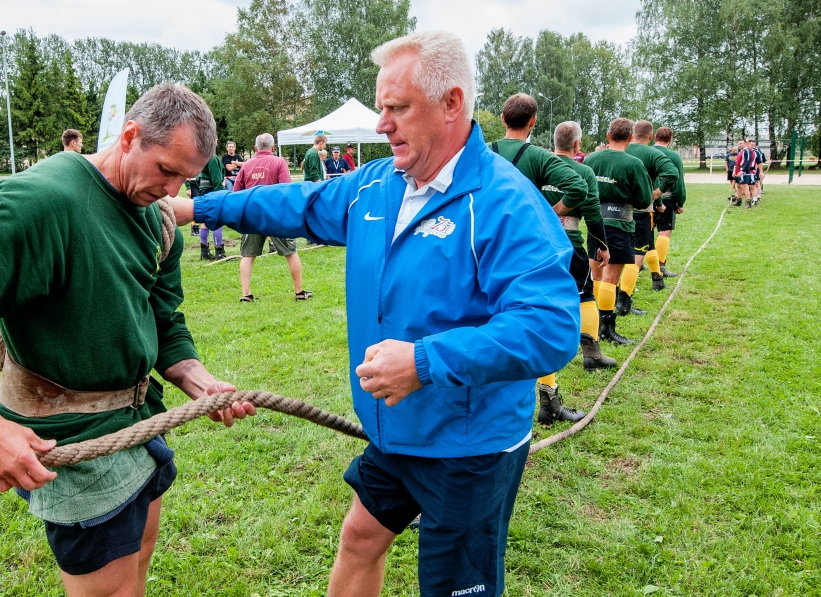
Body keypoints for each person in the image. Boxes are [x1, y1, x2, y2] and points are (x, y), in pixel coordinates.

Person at [172, 30, 578, 597]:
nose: (382, 123)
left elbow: (549, 327)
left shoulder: (503, 204)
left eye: (397, 108)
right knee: (360, 540)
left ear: (452, 103)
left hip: (467, 445)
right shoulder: (377, 186)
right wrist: (194, 206)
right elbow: (297, 203)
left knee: (454, 586)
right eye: (381, 106)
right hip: (395, 431)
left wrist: (423, 361)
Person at [0, 83, 256, 597]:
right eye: (167, 170)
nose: (172, 191)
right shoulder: (42, 201)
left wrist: (199, 380)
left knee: (141, 558)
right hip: (74, 442)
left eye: (184, 179)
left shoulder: (155, 216)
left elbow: (163, 320)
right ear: (130, 136)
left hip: (139, 423)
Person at [489, 94, 590, 426]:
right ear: (532, 123)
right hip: (527, 250)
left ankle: (493, 404)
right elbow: (577, 187)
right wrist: (550, 212)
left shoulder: (483, 151)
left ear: (503, 119)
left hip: (486, 249)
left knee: (486, 322)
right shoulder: (539, 156)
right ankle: (549, 401)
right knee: (538, 321)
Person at [546, 122, 617, 372]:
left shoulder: (538, 163)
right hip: (571, 243)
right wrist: (602, 245)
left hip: (539, 243)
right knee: (584, 294)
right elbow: (593, 214)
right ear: (577, 145)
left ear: (555, 142)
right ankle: (592, 355)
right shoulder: (583, 171)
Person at [583, 118, 653, 345]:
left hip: (595, 223)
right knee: (611, 279)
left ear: (608, 135)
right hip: (620, 225)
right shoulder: (633, 164)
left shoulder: (591, 159)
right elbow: (644, 199)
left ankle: (592, 326)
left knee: (596, 275)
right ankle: (606, 328)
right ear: (630, 138)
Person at [230, 133, 312, 302]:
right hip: (275, 215)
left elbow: (236, 193)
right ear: (273, 148)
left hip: (252, 215)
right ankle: (299, 292)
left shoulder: (246, 165)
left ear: (255, 149)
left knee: (247, 255)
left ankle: (246, 294)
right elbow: (287, 190)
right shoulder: (279, 162)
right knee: (290, 252)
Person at [617, 120, 679, 319]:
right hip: (641, 211)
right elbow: (671, 174)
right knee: (637, 255)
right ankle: (624, 298)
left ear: (632, 134)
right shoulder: (652, 153)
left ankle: (657, 278)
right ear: (650, 137)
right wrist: (657, 193)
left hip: (616, 210)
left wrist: (658, 201)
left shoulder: (622, 150)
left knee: (649, 244)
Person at [652, 126, 686, 277]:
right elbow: (678, 181)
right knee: (664, 232)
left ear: (654, 137)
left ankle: (637, 263)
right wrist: (680, 202)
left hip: (646, 198)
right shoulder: (673, 156)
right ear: (670, 139)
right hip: (667, 198)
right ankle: (660, 266)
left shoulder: (647, 152)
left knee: (644, 232)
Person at [196, 149, 226, 260]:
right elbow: (216, 179)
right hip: (212, 192)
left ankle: (204, 253)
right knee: (217, 221)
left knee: (205, 222)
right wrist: (221, 193)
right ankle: (220, 252)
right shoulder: (212, 157)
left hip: (203, 191)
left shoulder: (201, 155)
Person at [734, 139, 758, 209]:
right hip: (738, 169)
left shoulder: (747, 151)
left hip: (743, 170)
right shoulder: (741, 151)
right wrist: (735, 170)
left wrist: (742, 171)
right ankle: (738, 201)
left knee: (744, 186)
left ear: (745, 143)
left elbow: (748, 161)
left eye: (741, 143)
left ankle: (748, 202)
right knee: (738, 186)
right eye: (739, 144)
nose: (739, 145)